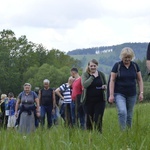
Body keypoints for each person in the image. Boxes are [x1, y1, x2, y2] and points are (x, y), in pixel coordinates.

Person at [109, 47, 143, 130]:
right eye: (125, 57)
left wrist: (141, 92)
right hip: (119, 93)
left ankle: (128, 132)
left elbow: (139, 79)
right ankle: (122, 132)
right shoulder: (117, 66)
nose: (127, 59)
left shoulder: (135, 66)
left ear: (132, 57)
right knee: (122, 111)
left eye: (129, 58)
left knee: (129, 114)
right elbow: (112, 80)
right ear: (122, 57)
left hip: (132, 94)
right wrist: (111, 95)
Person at [81, 59, 107, 133]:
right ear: (88, 66)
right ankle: (90, 136)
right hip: (88, 101)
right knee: (89, 120)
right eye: (91, 66)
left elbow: (105, 84)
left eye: (94, 66)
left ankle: (99, 135)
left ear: (97, 66)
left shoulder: (101, 74)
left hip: (100, 100)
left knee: (98, 119)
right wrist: (92, 77)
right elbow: (85, 84)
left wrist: (104, 87)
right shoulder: (85, 75)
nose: (93, 67)